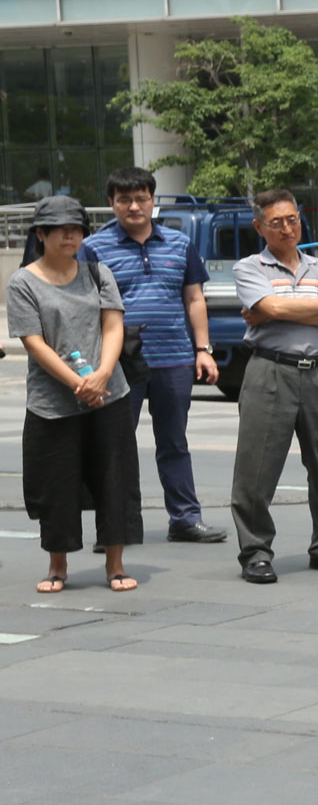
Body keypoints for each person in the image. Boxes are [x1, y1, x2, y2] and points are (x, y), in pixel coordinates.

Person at [82, 166, 226, 544]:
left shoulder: (180, 244)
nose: (134, 206)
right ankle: (112, 527)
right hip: (118, 364)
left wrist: (203, 349)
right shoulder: (94, 248)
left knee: (174, 442)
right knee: (114, 446)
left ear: (152, 201)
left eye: (142, 198)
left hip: (175, 358)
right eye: (125, 199)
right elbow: (83, 306)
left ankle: (185, 520)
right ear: (111, 203)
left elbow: (194, 299)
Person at [9, 196, 144, 593]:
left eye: (77, 229)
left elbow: (114, 326)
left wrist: (102, 375)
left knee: (114, 479)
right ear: (41, 234)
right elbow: (34, 343)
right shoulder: (23, 282)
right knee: (56, 485)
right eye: (61, 229)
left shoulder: (98, 272)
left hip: (110, 394)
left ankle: (115, 566)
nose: (71, 236)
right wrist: (77, 383)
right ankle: (57, 567)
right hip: (53, 403)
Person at [229, 189, 318, 584]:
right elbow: (277, 309)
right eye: (277, 222)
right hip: (270, 372)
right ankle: (256, 552)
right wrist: (306, 308)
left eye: (293, 219)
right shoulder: (249, 268)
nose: (287, 228)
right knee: (257, 467)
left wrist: (275, 309)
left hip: (317, 373)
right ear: (259, 227)